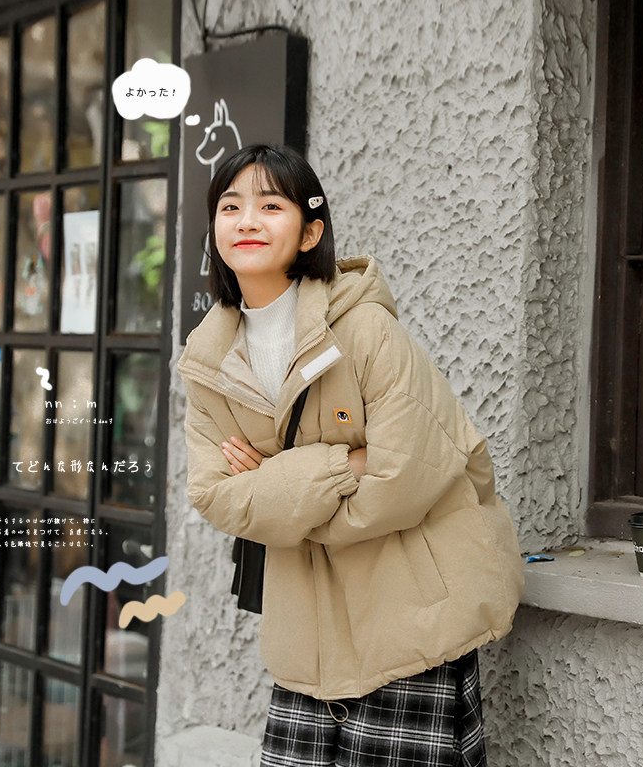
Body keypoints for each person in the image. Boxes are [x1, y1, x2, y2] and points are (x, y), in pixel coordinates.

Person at [177, 144, 524, 767]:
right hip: (306, 643)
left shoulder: (366, 330)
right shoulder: (208, 361)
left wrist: (278, 493)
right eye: (230, 207)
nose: (247, 220)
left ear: (311, 231)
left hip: (411, 627)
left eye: (270, 205)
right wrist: (344, 465)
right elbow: (215, 495)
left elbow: (402, 478)